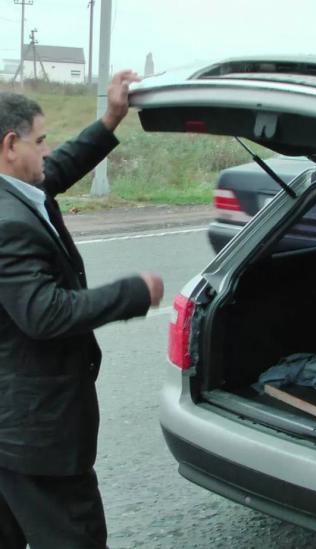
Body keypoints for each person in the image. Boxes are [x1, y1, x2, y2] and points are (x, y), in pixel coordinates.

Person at [0, 71, 164, 548]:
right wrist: (133, 292)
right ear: (12, 145)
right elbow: (43, 313)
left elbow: (57, 170)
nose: (48, 149)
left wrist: (111, 118)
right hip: (34, 437)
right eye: (41, 139)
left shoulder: (15, 194)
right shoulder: (8, 224)